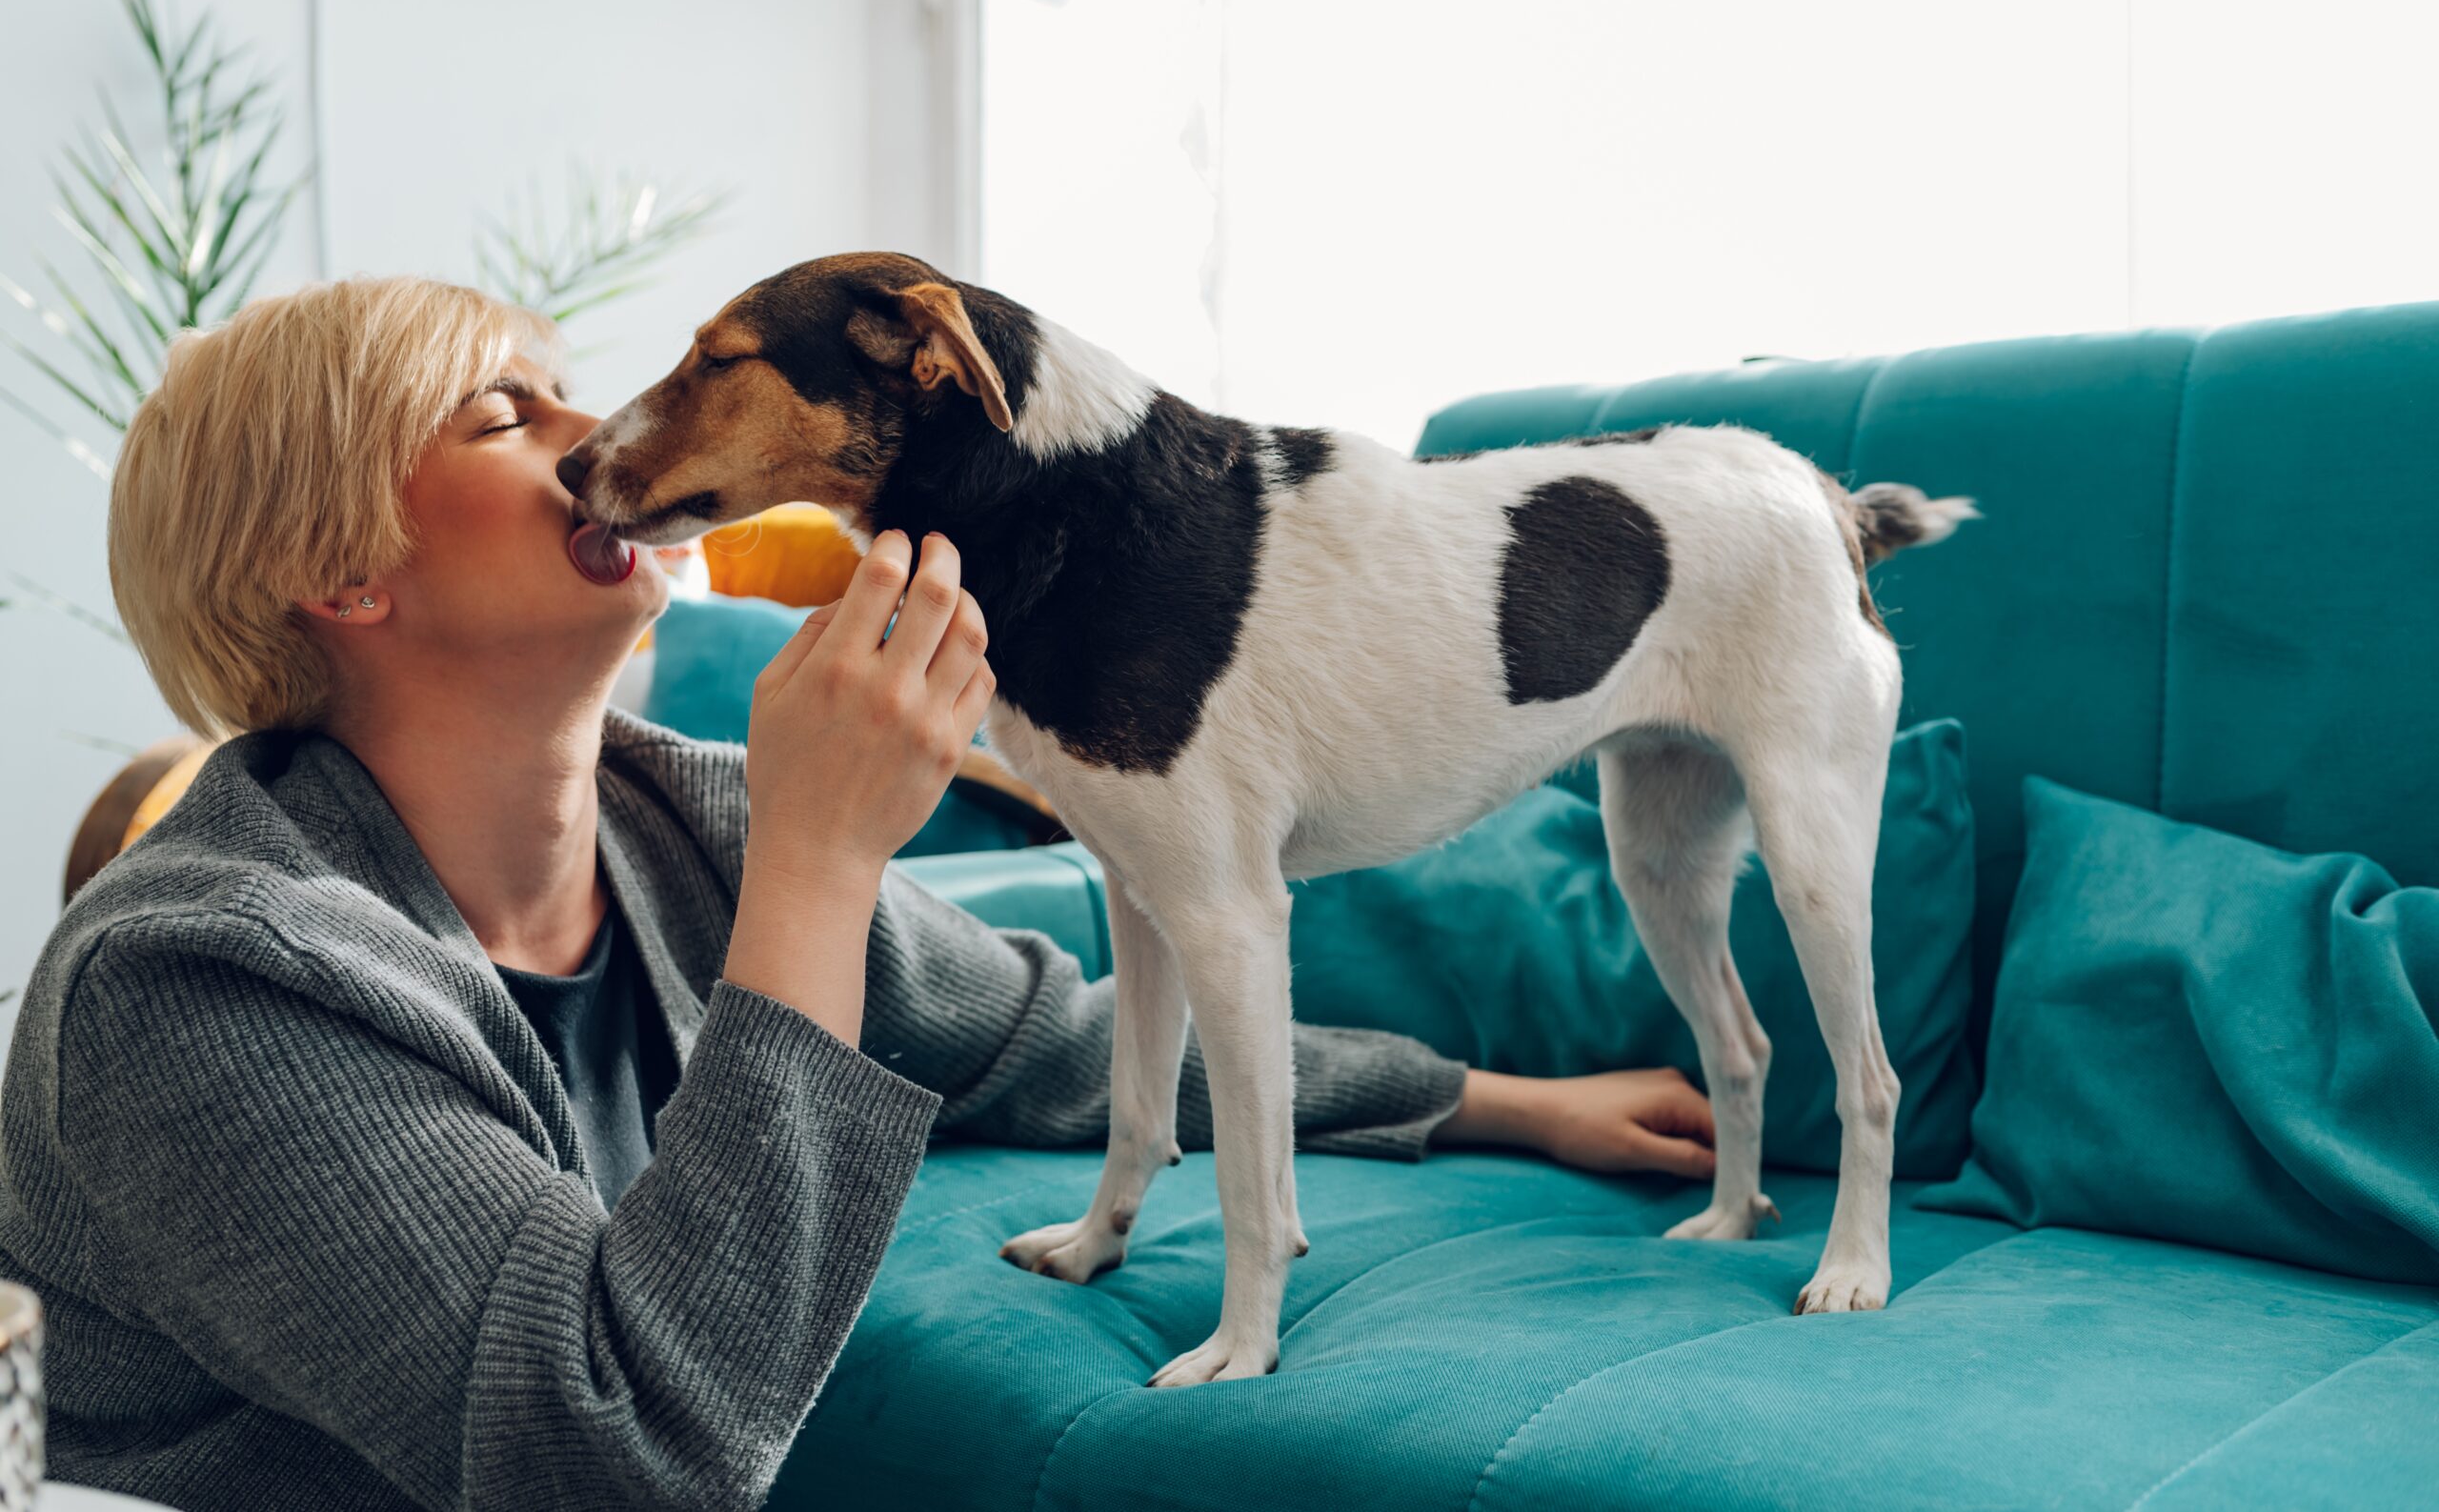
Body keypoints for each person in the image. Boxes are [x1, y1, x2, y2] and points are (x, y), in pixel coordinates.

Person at [0, 277, 1717, 1512]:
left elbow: (1045, 1040)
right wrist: (823, 863)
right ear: (334, 569)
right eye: (508, 417)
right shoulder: (197, 985)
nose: (608, 431)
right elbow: (618, 1458)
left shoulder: (670, 834)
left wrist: (1505, 1102)